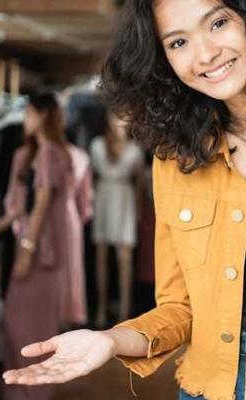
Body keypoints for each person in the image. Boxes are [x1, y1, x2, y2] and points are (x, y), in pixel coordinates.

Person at [1, 1, 246, 399]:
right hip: (213, 387)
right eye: (178, 42)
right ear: (161, 59)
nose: (205, 54)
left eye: (219, 23)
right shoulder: (176, 159)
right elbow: (179, 308)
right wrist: (113, 340)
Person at [0, 93, 92, 400]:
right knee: (15, 320)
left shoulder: (54, 154)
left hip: (44, 252)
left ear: (43, 115)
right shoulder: (27, 154)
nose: (24, 118)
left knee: (32, 325)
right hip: (30, 246)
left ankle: (33, 391)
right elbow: (18, 209)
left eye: (28, 112)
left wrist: (26, 250)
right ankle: (17, 388)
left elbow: (41, 206)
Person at [90, 111, 145, 327]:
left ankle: (124, 312)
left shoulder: (135, 149)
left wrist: (139, 209)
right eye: (118, 117)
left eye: (127, 117)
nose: (123, 121)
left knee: (125, 259)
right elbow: (91, 176)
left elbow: (140, 182)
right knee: (101, 258)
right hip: (103, 196)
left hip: (125, 198)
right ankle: (101, 309)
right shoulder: (97, 145)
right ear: (109, 119)